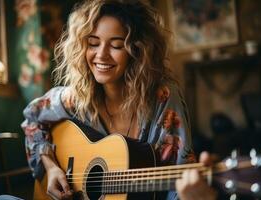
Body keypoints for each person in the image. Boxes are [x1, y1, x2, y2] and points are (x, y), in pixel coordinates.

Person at [21, 0, 217, 199]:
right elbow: (33, 118)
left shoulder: (163, 97)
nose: (102, 55)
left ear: (137, 50)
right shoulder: (77, 98)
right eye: (93, 43)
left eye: (116, 45)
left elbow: (179, 178)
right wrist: (51, 167)